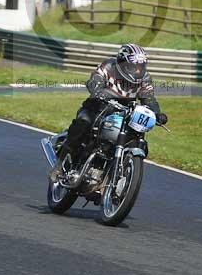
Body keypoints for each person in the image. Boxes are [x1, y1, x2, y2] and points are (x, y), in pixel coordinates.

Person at [48, 44, 167, 182]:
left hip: (124, 112)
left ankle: (115, 173)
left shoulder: (145, 78)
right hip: (98, 106)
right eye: (134, 66)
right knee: (83, 124)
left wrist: (157, 113)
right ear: (123, 63)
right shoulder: (109, 66)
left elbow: (149, 98)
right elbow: (95, 78)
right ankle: (59, 165)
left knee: (136, 138)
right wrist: (97, 90)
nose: (138, 70)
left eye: (141, 66)